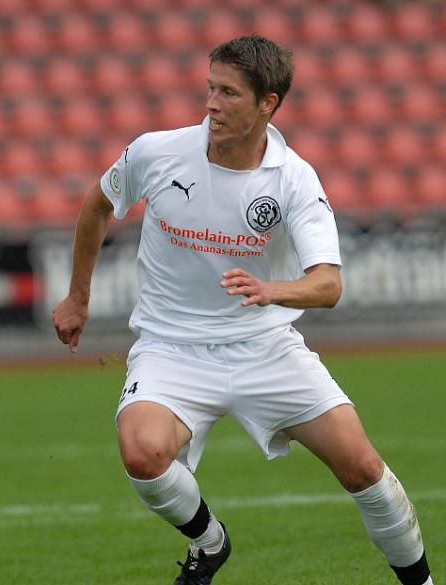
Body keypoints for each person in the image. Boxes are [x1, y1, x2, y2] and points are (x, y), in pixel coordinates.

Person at [52, 35, 434, 585]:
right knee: (142, 453)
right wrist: (78, 296)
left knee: (363, 468)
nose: (210, 104)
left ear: (267, 104)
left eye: (228, 93)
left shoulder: (293, 179)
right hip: (172, 348)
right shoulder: (157, 152)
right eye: (209, 88)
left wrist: (274, 290)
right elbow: (96, 205)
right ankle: (210, 543)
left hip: (265, 347)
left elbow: (328, 285)